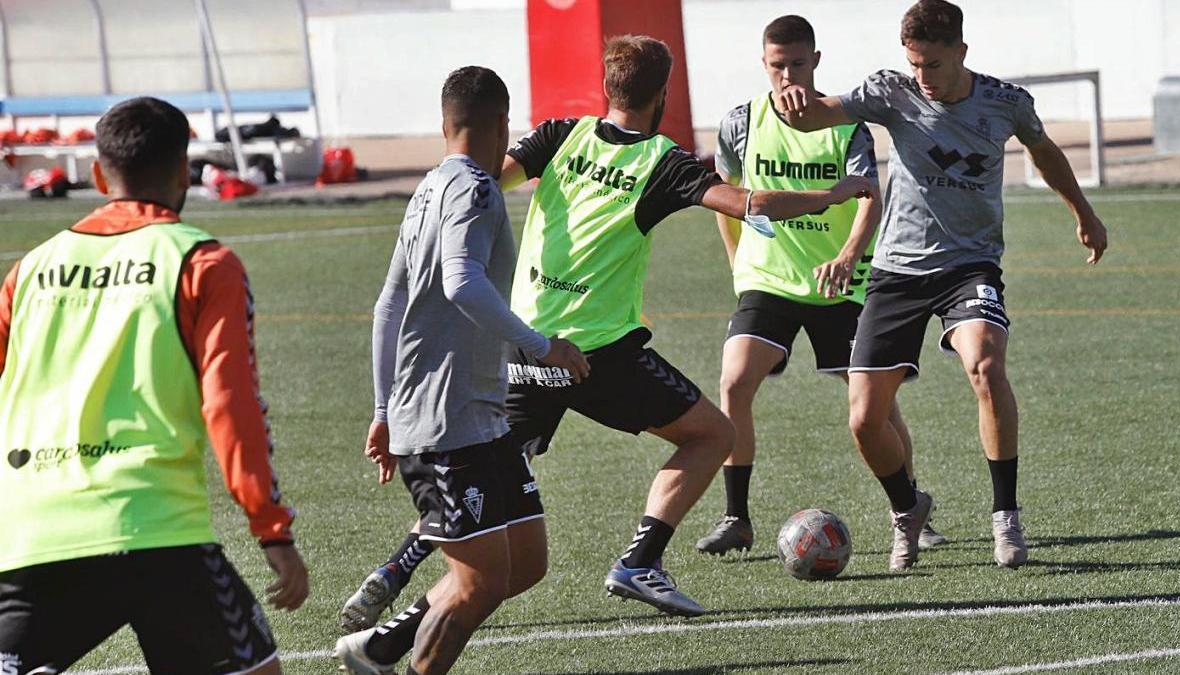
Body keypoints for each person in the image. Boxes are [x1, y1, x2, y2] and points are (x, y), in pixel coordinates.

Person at [340, 34, 874, 626]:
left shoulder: (558, 136)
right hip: (594, 354)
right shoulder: (661, 162)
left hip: (523, 344)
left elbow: (489, 175)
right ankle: (640, 560)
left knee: (485, 471)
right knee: (711, 435)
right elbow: (752, 204)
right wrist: (833, 195)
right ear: (663, 96)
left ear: (607, 89)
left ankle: (395, 571)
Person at [782, 0, 1108, 570]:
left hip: (970, 266)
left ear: (961, 51)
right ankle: (907, 507)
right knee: (864, 418)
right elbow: (818, 115)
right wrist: (793, 108)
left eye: (932, 64)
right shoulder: (892, 92)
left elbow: (1044, 149)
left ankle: (1005, 515)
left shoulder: (1005, 103)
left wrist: (1082, 210)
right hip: (897, 272)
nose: (921, 78)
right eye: (913, 64)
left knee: (984, 363)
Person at [0, 97, 307, 674]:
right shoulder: (201, 262)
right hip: (154, 528)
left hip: (31, 531)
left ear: (96, 175)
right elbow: (230, 404)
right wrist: (271, 527)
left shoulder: (31, 269)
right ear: (183, 170)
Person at [335, 66, 589, 674]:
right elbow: (461, 283)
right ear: (503, 123)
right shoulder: (476, 189)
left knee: (523, 562)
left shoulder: (428, 189)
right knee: (478, 583)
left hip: (482, 418)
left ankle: (380, 647)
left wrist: (380, 409)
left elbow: (388, 305)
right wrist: (539, 345)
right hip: (447, 423)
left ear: (446, 124)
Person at [696, 14, 947, 557]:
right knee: (734, 383)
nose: (788, 76)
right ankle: (736, 518)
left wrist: (848, 255)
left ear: (816, 61)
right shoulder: (741, 122)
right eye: (777, 65)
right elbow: (728, 194)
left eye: (797, 64)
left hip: (842, 286)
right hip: (770, 279)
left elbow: (868, 198)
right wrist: (739, 260)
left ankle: (909, 508)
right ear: (764, 64)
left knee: (877, 407)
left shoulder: (846, 125)